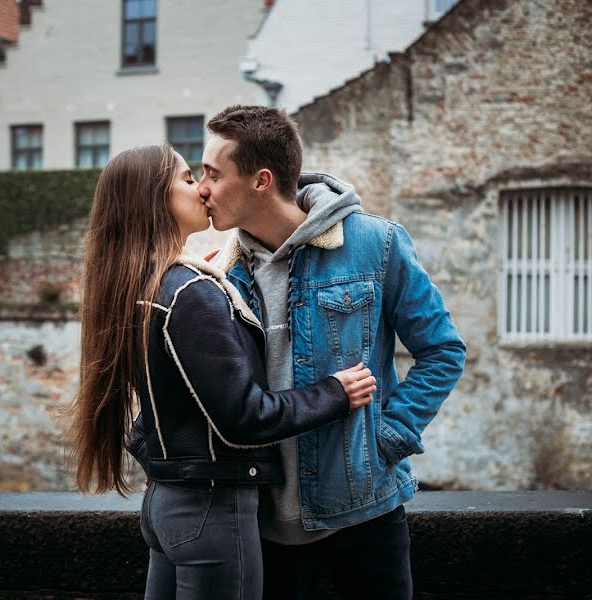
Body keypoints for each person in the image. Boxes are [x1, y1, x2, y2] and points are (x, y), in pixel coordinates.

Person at [70, 143, 379, 600]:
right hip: (210, 510)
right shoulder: (189, 292)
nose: (202, 189)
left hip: (166, 503)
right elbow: (245, 418)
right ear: (155, 199)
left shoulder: (143, 285)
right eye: (187, 178)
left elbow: (160, 408)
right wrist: (335, 391)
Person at [197, 105, 467, 599]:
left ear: (261, 180)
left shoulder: (374, 244)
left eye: (213, 173)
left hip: (366, 514)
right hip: (259, 523)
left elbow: (443, 351)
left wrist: (389, 436)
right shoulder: (219, 271)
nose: (202, 187)